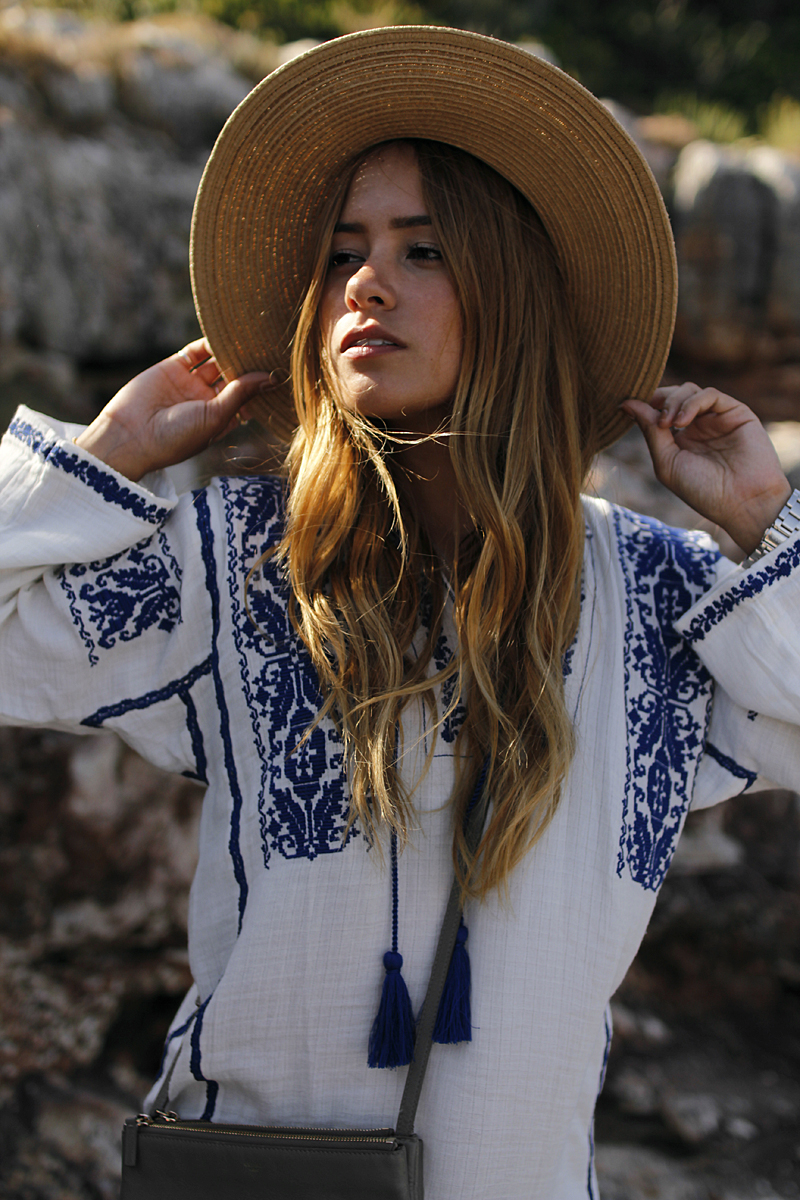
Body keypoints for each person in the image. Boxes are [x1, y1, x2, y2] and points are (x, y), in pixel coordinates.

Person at [2, 25, 800, 1199]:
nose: (366, 282)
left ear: (514, 292)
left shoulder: (657, 601)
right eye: (340, 256)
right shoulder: (232, 568)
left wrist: (763, 518)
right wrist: (106, 455)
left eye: (421, 249)